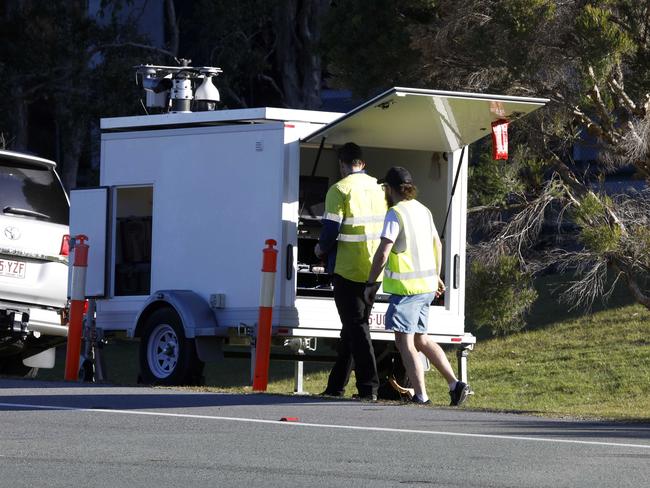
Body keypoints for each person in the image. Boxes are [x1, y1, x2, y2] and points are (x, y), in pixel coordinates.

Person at [365, 166, 470, 406]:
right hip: (426, 288)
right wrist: (436, 275)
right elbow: (438, 244)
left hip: (406, 291)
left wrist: (371, 283)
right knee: (422, 339)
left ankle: (421, 396)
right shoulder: (423, 211)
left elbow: (383, 252)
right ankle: (455, 384)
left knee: (405, 343)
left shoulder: (395, 213)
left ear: (389, 189)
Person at [315, 142, 387, 400]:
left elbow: (331, 230)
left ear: (342, 165)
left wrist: (320, 251)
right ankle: (336, 386)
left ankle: (369, 387)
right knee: (351, 328)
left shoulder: (339, 189)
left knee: (357, 328)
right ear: (363, 164)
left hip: (348, 269)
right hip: (374, 270)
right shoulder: (380, 189)